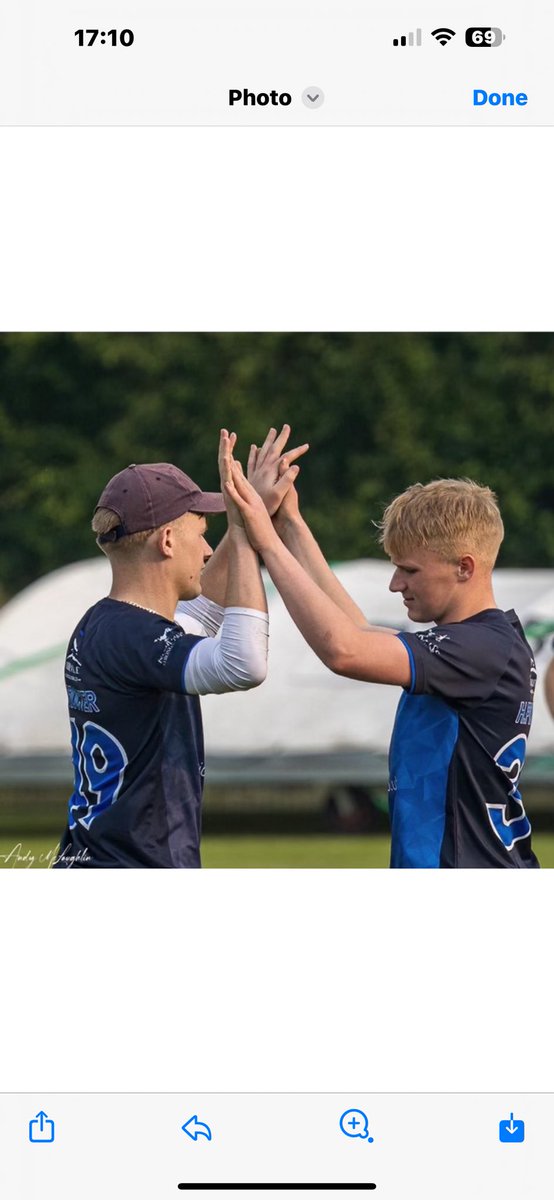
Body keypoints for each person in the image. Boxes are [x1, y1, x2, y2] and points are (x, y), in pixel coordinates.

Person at [226, 456, 539, 869]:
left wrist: (265, 542)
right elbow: (355, 629)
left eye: (409, 570)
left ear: (465, 567)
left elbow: (344, 650)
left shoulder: (480, 648)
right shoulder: (480, 643)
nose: (396, 584)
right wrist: (288, 524)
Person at [54, 429, 301, 869]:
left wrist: (253, 510)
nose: (208, 550)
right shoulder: (133, 637)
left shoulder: (109, 626)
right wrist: (247, 533)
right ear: (167, 541)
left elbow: (205, 613)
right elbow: (243, 664)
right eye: (203, 534)